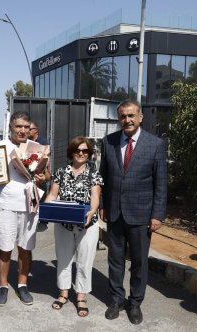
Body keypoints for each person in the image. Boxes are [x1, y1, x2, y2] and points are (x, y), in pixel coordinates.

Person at [99, 100, 167, 325]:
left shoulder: (155, 144)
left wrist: (157, 214)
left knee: (139, 262)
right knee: (115, 260)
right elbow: (104, 177)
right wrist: (101, 205)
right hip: (115, 213)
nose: (127, 120)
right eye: (122, 116)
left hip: (141, 214)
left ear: (140, 117)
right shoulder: (108, 142)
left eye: (131, 116)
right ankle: (117, 299)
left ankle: (135, 302)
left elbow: (161, 183)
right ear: (118, 118)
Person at [0, 111, 49, 307]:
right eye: (18, 126)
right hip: (5, 204)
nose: (22, 130)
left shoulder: (36, 147)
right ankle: (3, 286)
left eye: (26, 127)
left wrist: (43, 178)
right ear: (11, 126)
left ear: (31, 129)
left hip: (30, 204)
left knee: (26, 248)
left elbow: (46, 174)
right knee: (5, 248)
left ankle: (22, 284)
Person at [44, 136, 103, 317]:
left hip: (87, 225)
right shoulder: (61, 172)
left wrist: (92, 211)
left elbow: (95, 196)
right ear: (71, 152)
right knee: (63, 259)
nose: (81, 153)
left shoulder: (94, 173)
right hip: (63, 224)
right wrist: (44, 209)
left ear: (89, 154)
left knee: (85, 261)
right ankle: (63, 293)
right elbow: (53, 195)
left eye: (85, 151)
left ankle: (81, 296)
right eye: (78, 150)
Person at [29, 121, 50, 232]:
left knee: (42, 197)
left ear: (36, 130)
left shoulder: (43, 142)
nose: (28, 131)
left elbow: (46, 159)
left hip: (41, 172)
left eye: (30, 129)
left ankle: (43, 220)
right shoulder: (25, 141)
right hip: (29, 174)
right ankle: (33, 218)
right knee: (33, 198)